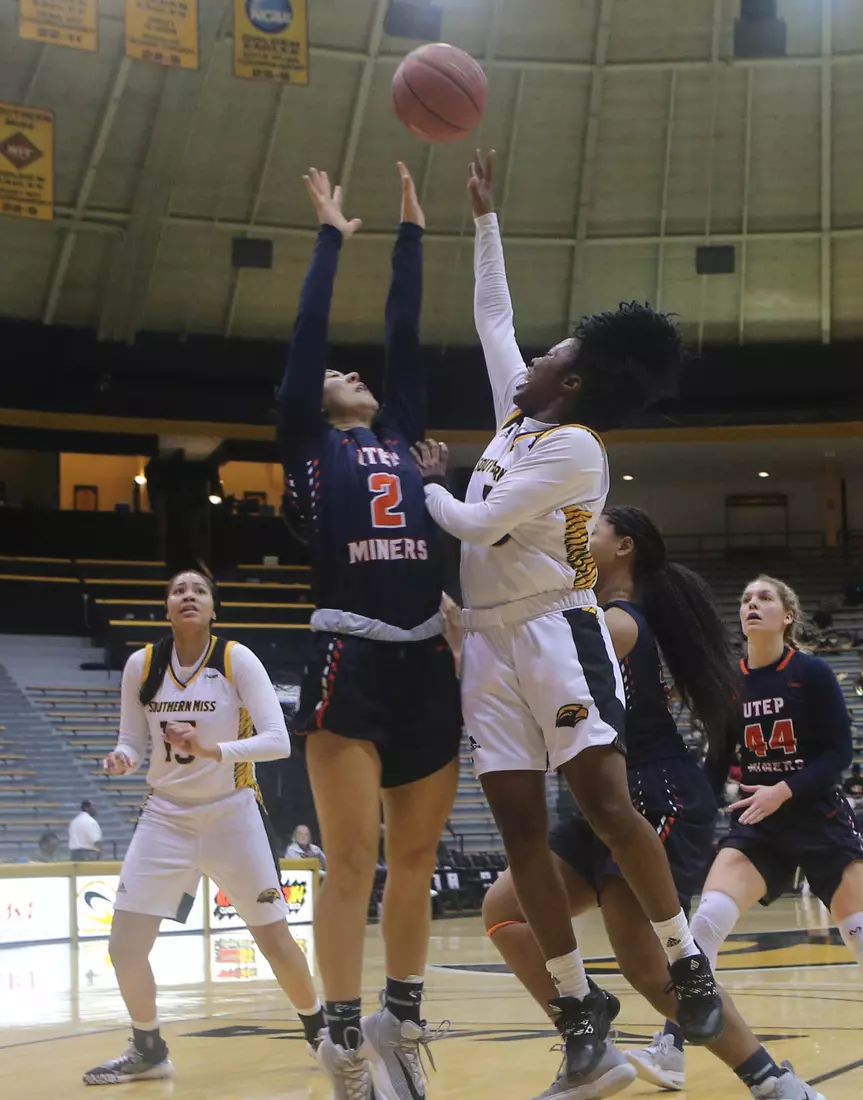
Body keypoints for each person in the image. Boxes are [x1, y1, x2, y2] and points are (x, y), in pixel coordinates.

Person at [412, 149, 725, 1099]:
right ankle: (580, 1016)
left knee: (606, 806)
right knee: (518, 834)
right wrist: (484, 218)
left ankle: (686, 960)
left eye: (553, 357)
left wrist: (422, 480)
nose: (534, 356)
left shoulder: (579, 449)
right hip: (492, 642)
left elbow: (472, 522)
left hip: (557, 627)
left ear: (574, 384)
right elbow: (494, 319)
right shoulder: (516, 421)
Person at [480, 508, 823, 1100]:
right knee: (505, 911)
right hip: (599, 796)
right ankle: (592, 1043)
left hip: (650, 794)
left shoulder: (617, 623)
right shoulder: (602, 614)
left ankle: (771, 1079)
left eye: (596, 526)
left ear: (624, 548)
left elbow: (536, 670)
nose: (582, 532)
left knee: (644, 966)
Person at [277, 163, 461, 1100]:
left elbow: (404, 336)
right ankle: (343, 1043)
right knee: (351, 859)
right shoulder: (308, 446)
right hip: (348, 652)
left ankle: (401, 1025)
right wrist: (331, 239)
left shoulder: (404, 435)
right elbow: (311, 337)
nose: (349, 373)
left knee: (417, 858)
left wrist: (413, 235)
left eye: (357, 376)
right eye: (333, 378)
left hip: (427, 651)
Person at [686, 577, 863, 1082]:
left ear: (787, 615)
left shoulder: (812, 673)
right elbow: (716, 764)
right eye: (744, 600)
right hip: (758, 824)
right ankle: (671, 1043)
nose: (752, 605)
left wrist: (781, 789)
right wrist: (690, 811)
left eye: (763, 598)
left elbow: (838, 756)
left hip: (818, 817)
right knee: (705, 922)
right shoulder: (727, 684)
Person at [84, 569, 321, 1086]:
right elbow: (131, 739)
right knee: (124, 947)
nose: (188, 596)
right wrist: (122, 758)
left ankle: (321, 1036)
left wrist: (214, 750)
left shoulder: (236, 660)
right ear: (167, 607)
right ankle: (148, 1048)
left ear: (213, 608)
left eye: (199, 591)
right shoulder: (141, 665)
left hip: (231, 810)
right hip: (165, 814)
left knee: (275, 940)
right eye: (177, 590)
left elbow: (279, 741)